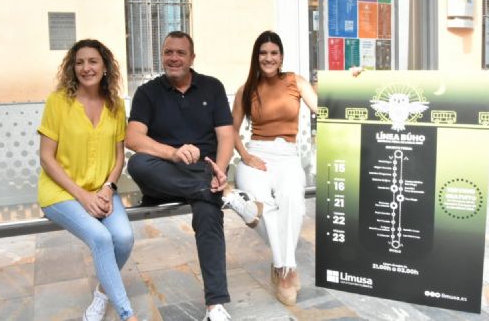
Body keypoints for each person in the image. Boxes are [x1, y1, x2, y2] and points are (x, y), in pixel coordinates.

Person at [125, 31, 261, 321]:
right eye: (168, 52)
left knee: (208, 214)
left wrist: (220, 172)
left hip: (206, 172)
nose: (173, 58)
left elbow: (226, 136)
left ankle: (215, 307)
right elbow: (133, 138)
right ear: (162, 55)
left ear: (192, 58)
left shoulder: (211, 88)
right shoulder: (148, 92)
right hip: (165, 176)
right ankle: (225, 195)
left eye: (180, 53)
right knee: (138, 164)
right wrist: (172, 153)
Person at [37, 39, 137, 321]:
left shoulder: (115, 105)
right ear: (72, 68)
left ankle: (102, 294)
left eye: (93, 61)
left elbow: (119, 157)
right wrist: (83, 196)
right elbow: (46, 158)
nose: (86, 67)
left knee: (125, 238)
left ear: (105, 67)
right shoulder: (58, 102)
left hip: (102, 189)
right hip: (61, 192)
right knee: (101, 238)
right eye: (79, 62)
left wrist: (108, 188)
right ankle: (127, 314)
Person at [231, 30, 317, 307]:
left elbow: (323, 109)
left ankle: (282, 266)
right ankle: (286, 271)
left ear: (281, 57)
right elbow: (231, 130)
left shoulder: (295, 81)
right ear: (256, 57)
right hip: (256, 155)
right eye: (263, 53)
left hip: (287, 155)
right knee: (263, 206)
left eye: (274, 53)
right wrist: (244, 155)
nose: (268, 58)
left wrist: (353, 80)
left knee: (293, 201)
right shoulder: (247, 89)